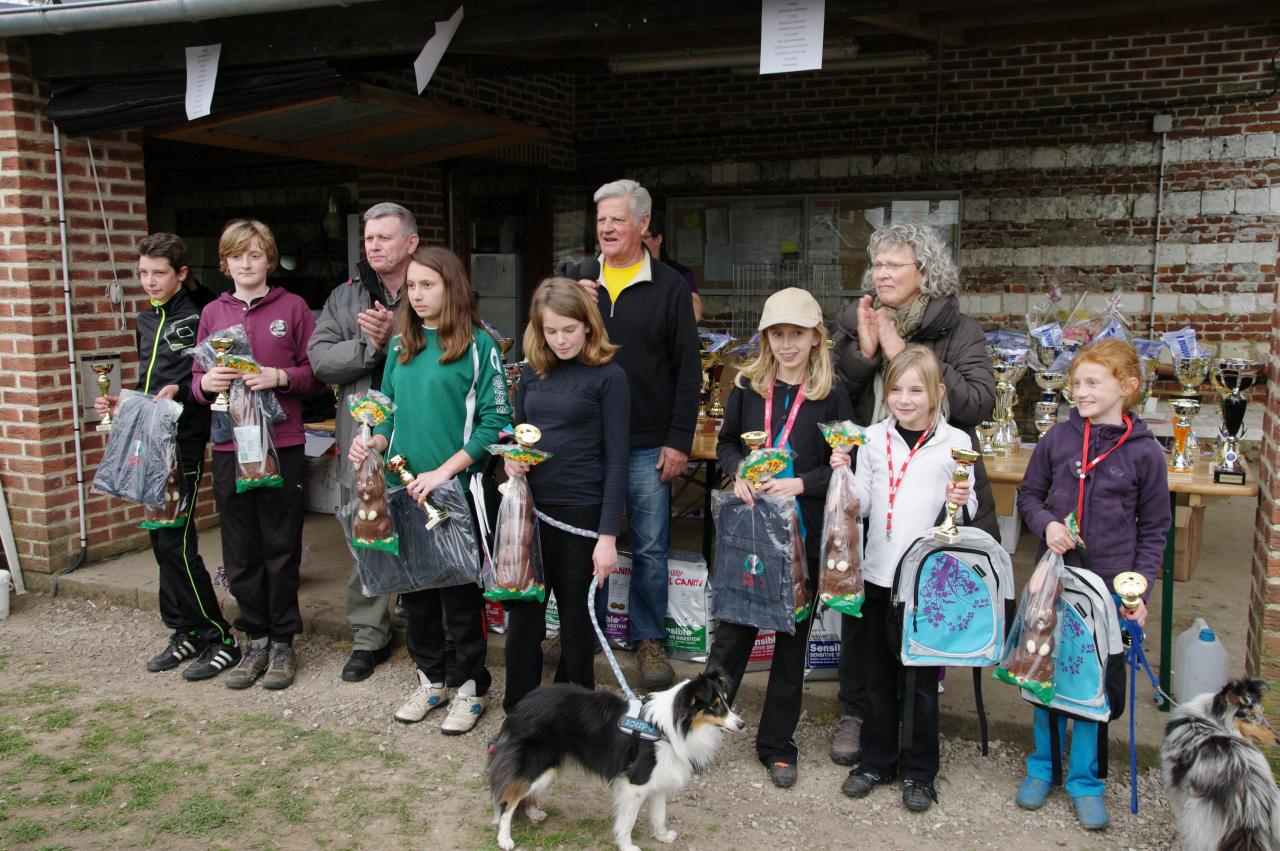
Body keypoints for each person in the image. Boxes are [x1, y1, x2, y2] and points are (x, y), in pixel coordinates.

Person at [828, 221, 997, 766]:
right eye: (878, 263)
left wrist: (901, 350)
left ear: (925, 273)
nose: (882, 273)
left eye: (895, 264)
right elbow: (828, 392)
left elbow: (976, 403)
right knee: (862, 606)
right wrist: (863, 352)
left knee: (923, 601)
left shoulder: (959, 329)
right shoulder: (855, 319)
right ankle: (857, 714)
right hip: (868, 484)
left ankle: (913, 722)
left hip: (928, 487)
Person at [347, 246, 510, 735]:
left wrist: (444, 472)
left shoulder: (481, 345)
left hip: (456, 491)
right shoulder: (401, 345)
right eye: (412, 287)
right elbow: (390, 410)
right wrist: (372, 442)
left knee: (460, 600)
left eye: (427, 285)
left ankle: (470, 688)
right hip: (403, 491)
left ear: (451, 287)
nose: (416, 296)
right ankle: (430, 679)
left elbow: (495, 423)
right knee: (415, 596)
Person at [1014, 339, 1169, 831]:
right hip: (1054, 581)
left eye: (1092, 383)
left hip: (1106, 590)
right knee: (1043, 671)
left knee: (1093, 685)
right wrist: (1046, 526)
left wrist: (1137, 590)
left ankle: (1085, 780)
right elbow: (1029, 495)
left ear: (1127, 387)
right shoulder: (1057, 439)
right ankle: (1043, 766)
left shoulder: (1145, 454)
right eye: (1075, 383)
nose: (1079, 392)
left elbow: (1156, 529)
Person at [708, 287, 852, 789]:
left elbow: (845, 466)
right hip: (749, 533)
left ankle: (777, 744)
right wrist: (737, 473)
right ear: (766, 338)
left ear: (816, 338)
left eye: (797, 334)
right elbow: (726, 444)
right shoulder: (748, 387)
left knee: (791, 644)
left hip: (801, 535)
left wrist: (803, 483)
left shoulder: (834, 394)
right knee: (732, 636)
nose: (787, 344)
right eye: (778, 334)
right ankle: (699, 731)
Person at [563, 178, 701, 690]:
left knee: (649, 546)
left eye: (618, 219)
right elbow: (546, 343)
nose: (607, 228)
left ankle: (648, 639)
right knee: (584, 543)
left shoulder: (669, 287)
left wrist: (679, 439)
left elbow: (688, 370)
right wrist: (572, 304)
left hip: (647, 441)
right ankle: (585, 632)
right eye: (601, 220)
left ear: (643, 225)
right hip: (584, 439)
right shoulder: (575, 280)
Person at [836, 344, 976, 813]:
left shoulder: (955, 443)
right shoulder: (873, 438)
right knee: (877, 675)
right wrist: (844, 474)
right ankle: (877, 760)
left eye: (916, 389)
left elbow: (968, 508)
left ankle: (920, 772)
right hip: (878, 575)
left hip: (925, 582)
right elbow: (865, 506)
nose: (905, 398)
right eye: (896, 388)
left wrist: (963, 491)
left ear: (937, 393)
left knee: (918, 680)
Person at [95, 233, 237, 680]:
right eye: (142, 273)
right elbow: (151, 384)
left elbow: (209, 383)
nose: (149, 282)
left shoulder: (200, 316)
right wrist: (123, 403)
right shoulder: (144, 320)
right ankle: (184, 631)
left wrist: (182, 397)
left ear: (181, 274)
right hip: (149, 441)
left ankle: (220, 637)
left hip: (185, 443)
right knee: (159, 541)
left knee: (177, 541)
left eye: (159, 273)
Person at [191, 219, 321, 690]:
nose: (246, 264)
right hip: (230, 444)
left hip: (281, 442)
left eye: (255, 254)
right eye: (236, 256)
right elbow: (196, 378)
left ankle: (284, 641)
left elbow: (316, 373)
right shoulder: (212, 313)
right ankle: (256, 639)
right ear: (224, 264)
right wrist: (205, 385)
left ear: (269, 258)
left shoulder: (294, 307)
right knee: (241, 549)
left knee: (280, 545)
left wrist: (280, 378)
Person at [501, 277, 629, 711]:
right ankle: (519, 715)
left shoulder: (610, 378)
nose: (560, 340)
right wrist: (511, 462)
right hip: (531, 514)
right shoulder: (533, 375)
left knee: (577, 624)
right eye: (550, 330)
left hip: (582, 515)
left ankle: (574, 717)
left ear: (588, 326)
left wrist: (607, 536)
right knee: (524, 620)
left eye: (569, 330)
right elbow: (516, 438)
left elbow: (617, 460)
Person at [308, 202, 420, 683]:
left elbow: (461, 346)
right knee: (366, 524)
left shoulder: (435, 286)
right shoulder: (345, 297)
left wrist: (397, 336)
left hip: (421, 431)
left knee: (425, 524)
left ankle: (426, 629)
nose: (373, 245)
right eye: (368, 238)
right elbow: (320, 360)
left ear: (411, 243)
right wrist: (368, 348)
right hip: (362, 439)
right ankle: (369, 635)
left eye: (384, 237)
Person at [642, 215, 702, 322]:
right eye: (637, 238)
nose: (639, 243)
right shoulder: (628, 270)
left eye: (645, 238)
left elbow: (695, 314)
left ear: (658, 239)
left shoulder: (680, 272)